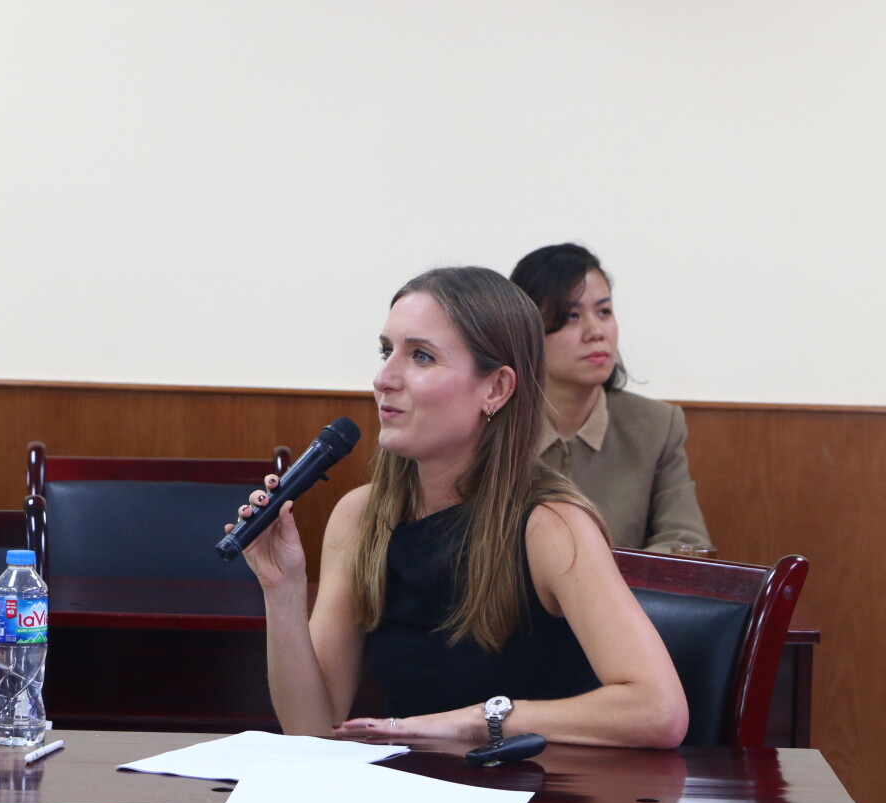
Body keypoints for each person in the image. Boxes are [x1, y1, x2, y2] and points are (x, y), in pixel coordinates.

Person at [228, 266, 688, 749]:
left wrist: (478, 721)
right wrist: (282, 589)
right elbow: (312, 731)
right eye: (386, 352)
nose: (383, 378)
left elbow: (659, 711)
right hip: (413, 784)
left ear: (496, 389)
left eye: (421, 356)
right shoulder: (360, 517)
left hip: (536, 785)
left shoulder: (551, 526)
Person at [509, 243, 712, 553]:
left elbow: (686, 544)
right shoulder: (493, 426)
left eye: (604, 311)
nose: (596, 331)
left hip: (624, 586)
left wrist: (603, 578)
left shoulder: (657, 426)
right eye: (572, 316)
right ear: (526, 332)